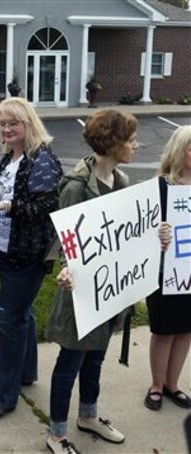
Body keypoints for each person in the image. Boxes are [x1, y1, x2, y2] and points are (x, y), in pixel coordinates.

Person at [44, 109, 138, 454]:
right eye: (130, 140)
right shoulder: (77, 187)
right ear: (112, 143)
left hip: (109, 292)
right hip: (81, 295)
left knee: (96, 358)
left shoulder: (123, 182)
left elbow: (127, 235)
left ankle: (88, 415)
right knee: (70, 363)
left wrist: (152, 238)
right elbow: (70, 241)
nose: (136, 145)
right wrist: (68, 268)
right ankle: (56, 433)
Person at [0, 97, 62, 419]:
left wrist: (4, 206)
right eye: (2, 124)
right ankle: (26, 373)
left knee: (9, 320)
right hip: (3, 248)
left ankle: (2, 395)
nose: (6, 129)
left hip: (26, 253)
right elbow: (0, 193)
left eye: (13, 123)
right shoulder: (11, 156)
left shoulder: (42, 159)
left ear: (28, 124)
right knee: (21, 312)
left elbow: (45, 207)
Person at [144, 125, 191, 411]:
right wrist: (156, 234)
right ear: (179, 150)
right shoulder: (161, 186)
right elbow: (140, 229)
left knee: (186, 330)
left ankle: (173, 384)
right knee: (164, 331)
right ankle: (156, 384)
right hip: (165, 272)